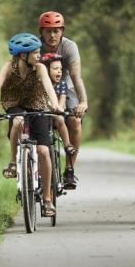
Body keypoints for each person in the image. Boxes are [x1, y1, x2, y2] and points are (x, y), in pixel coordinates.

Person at [0, 33, 64, 217]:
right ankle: (13, 162)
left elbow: (49, 89)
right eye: (35, 53)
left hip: (38, 105)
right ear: (22, 56)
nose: (39, 56)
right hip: (15, 104)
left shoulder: (41, 68)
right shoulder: (8, 68)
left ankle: (47, 199)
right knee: (18, 120)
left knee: (44, 151)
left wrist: (56, 106)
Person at [38, 11, 88, 189]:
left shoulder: (69, 47)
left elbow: (76, 76)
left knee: (74, 120)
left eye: (56, 31)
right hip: (41, 87)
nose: (52, 35)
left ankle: (69, 169)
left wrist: (83, 101)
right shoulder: (36, 47)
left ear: (62, 31)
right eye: (48, 31)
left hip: (65, 87)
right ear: (41, 32)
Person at [40, 53, 78, 171]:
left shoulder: (61, 84)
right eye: (55, 69)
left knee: (60, 119)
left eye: (61, 69)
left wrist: (59, 108)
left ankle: (67, 145)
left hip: (56, 114)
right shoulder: (40, 84)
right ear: (46, 70)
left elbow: (62, 102)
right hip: (43, 114)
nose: (59, 72)